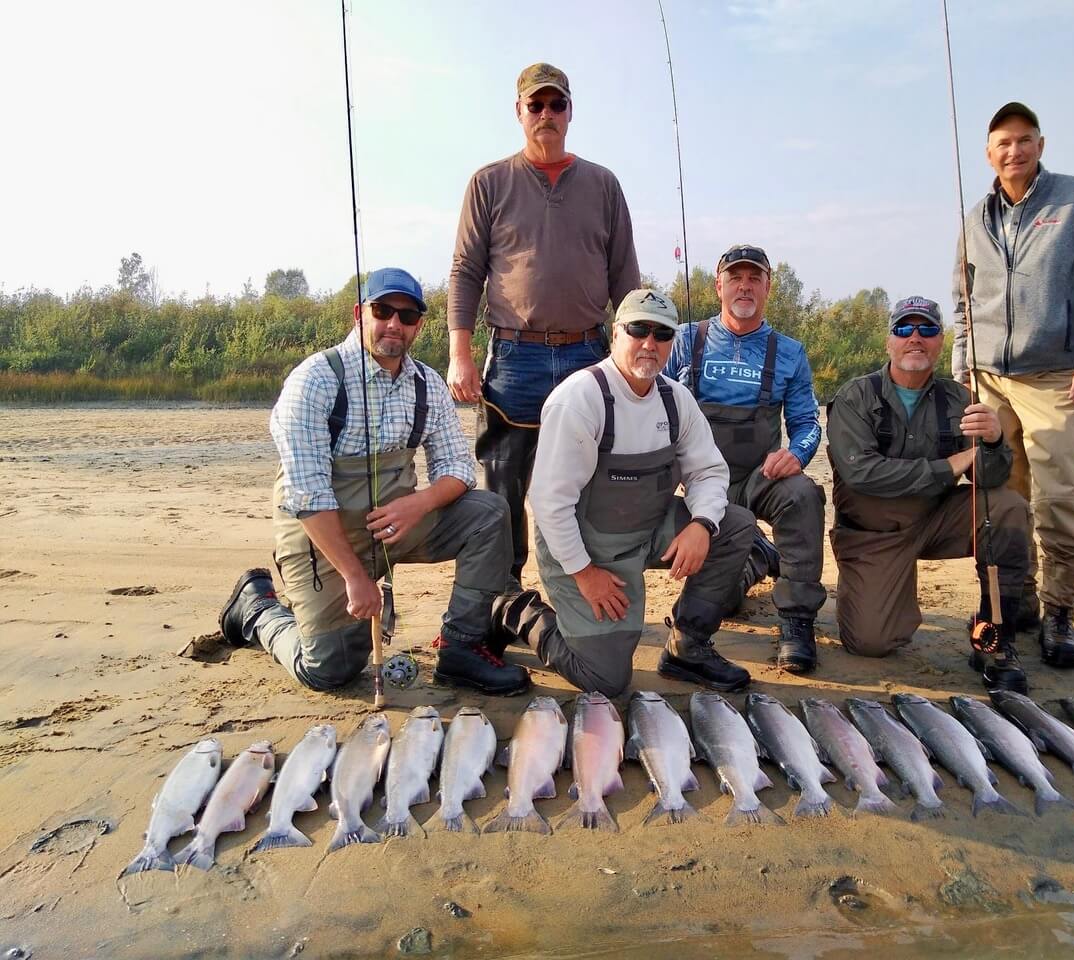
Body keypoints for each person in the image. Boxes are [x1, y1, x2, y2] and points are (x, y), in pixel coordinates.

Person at [217, 267, 529, 696]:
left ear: (419, 324)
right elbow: (307, 495)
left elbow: (459, 469)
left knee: (490, 513)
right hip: (323, 537)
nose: (395, 325)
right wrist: (355, 577)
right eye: (383, 310)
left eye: (408, 315)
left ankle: (462, 649)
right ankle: (258, 610)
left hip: (398, 524)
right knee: (328, 670)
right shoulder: (314, 380)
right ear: (358, 314)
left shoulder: (427, 384)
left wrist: (417, 504)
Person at [486, 289, 756, 697]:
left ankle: (688, 644)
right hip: (583, 550)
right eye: (638, 329)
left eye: (662, 334)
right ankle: (517, 609)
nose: (650, 343)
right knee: (606, 679)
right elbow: (549, 503)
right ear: (616, 334)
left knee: (734, 525)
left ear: (672, 343)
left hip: (649, 532)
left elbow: (710, 472)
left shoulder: (677, 399)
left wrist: (701, 524)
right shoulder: (580, 399)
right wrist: (585, 574)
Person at [447, 62, 641, 590]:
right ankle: (501, 594)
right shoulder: (488, 183)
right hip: (514, 357)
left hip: (589, 354)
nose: (547, 114)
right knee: (503, 483)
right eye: (536, 105)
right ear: (520, 112)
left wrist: (636, 355)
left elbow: (625, 277)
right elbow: (465, 271)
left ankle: (581, 586)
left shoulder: (604, 184)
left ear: (570, 112)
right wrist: (459, 353)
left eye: (557, 105)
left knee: (591, 480)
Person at [952, 101, 1074, 668]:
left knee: (1059, 500)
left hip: (1056, 377)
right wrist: (963, 373)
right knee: (1004, 497)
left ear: (1041, 145)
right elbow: (963, 302)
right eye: (1003, 143)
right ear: (989, 153)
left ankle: (1060, 614)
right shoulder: (975, 216)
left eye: (1024, 141)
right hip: (990, 382)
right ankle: (1016, 604)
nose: (1015, 151)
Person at [827, 296, 1031, 692]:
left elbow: (990, 477)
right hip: (874, 534)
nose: (915, 338)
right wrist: (951, 465)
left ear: (941, 342)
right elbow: (861, 473)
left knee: (1007, 507)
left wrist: (992, 442)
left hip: (936, 520)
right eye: (904, 329)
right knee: (870, 643)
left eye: (927, 330)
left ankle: (994, 634)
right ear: (889, 342)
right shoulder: (855, 396)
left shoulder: (960, 398)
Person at [662, 244, 826, 674]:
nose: (745, 286)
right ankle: (756, 553)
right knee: (727, 603)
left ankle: (796, 622)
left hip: (760, 476)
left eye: (755, 278)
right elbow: (649, 404)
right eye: (736, 277)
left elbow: (809, 423)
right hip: (698, 481)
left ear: (769, 287)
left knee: (804, 494)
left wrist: (797, 453)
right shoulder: (683, 340)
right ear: (719, 285)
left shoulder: (790, 351)